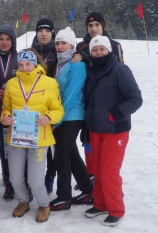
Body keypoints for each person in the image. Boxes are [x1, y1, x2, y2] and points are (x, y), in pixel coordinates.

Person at [84, 35, 142, 226]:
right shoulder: (91, 71)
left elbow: (135, 98)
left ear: (109, 50)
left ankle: (116, 209)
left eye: (102, 49)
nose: (98, 52)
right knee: (97, 171)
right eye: (95, 50)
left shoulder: (120, 70)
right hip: (94, 130)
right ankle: (100, 204)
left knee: (108, 171)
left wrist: (116, 114)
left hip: (115, 130)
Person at [1, 49, 64, 223]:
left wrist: (49, 118)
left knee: (35, 180)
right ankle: (23, 201)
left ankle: (44, 204)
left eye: (28, 64)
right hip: (17, 137)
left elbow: (58, 110)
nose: (25, 68)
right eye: (21, 65)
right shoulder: (12, 83)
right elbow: (6, 108)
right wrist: (5, 117)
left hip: (40, 138)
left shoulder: (49, 83)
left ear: (35, 64)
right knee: (14, 178)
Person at [75, 11, 124, 190]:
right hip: (87, 99)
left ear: (103, 26)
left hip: (107, 102)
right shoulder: (81, 45)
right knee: (88, 139)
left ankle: (107, 181)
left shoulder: (114, 45)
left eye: (97, 25)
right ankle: (91, 175)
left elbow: (118, 68)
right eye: (90, 25)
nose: (94, 28)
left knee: (107, 149)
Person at [49, 27, 93, 211]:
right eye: (57, 43)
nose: (60, 47)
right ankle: (88, 190)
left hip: (71, 116)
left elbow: (72, 95)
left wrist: (56, 120)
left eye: (64, 43)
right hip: (60, 116)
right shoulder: (59, 64)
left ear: (72, 45)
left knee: (61, 155)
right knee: (72, 155)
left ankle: (64, 197)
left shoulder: (77, 65)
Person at [31, 17, 58, 194]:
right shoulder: (30, 51)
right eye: (40, 30)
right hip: (34, 105)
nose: (43, 34)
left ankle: (50, 176)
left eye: (47, 31)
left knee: (53, 146)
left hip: (54, 103)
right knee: (35, 143)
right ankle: (34, 179)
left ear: (52, 33)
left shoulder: (59, 50)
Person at [0, 24, 19, 202]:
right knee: (3, 146)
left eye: (7, 39)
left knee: (17, 145)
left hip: (16, 109)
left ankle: (19, 180)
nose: (4, 42)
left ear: (13, 41)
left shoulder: (20, 59)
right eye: (1, 39)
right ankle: (8, 179)